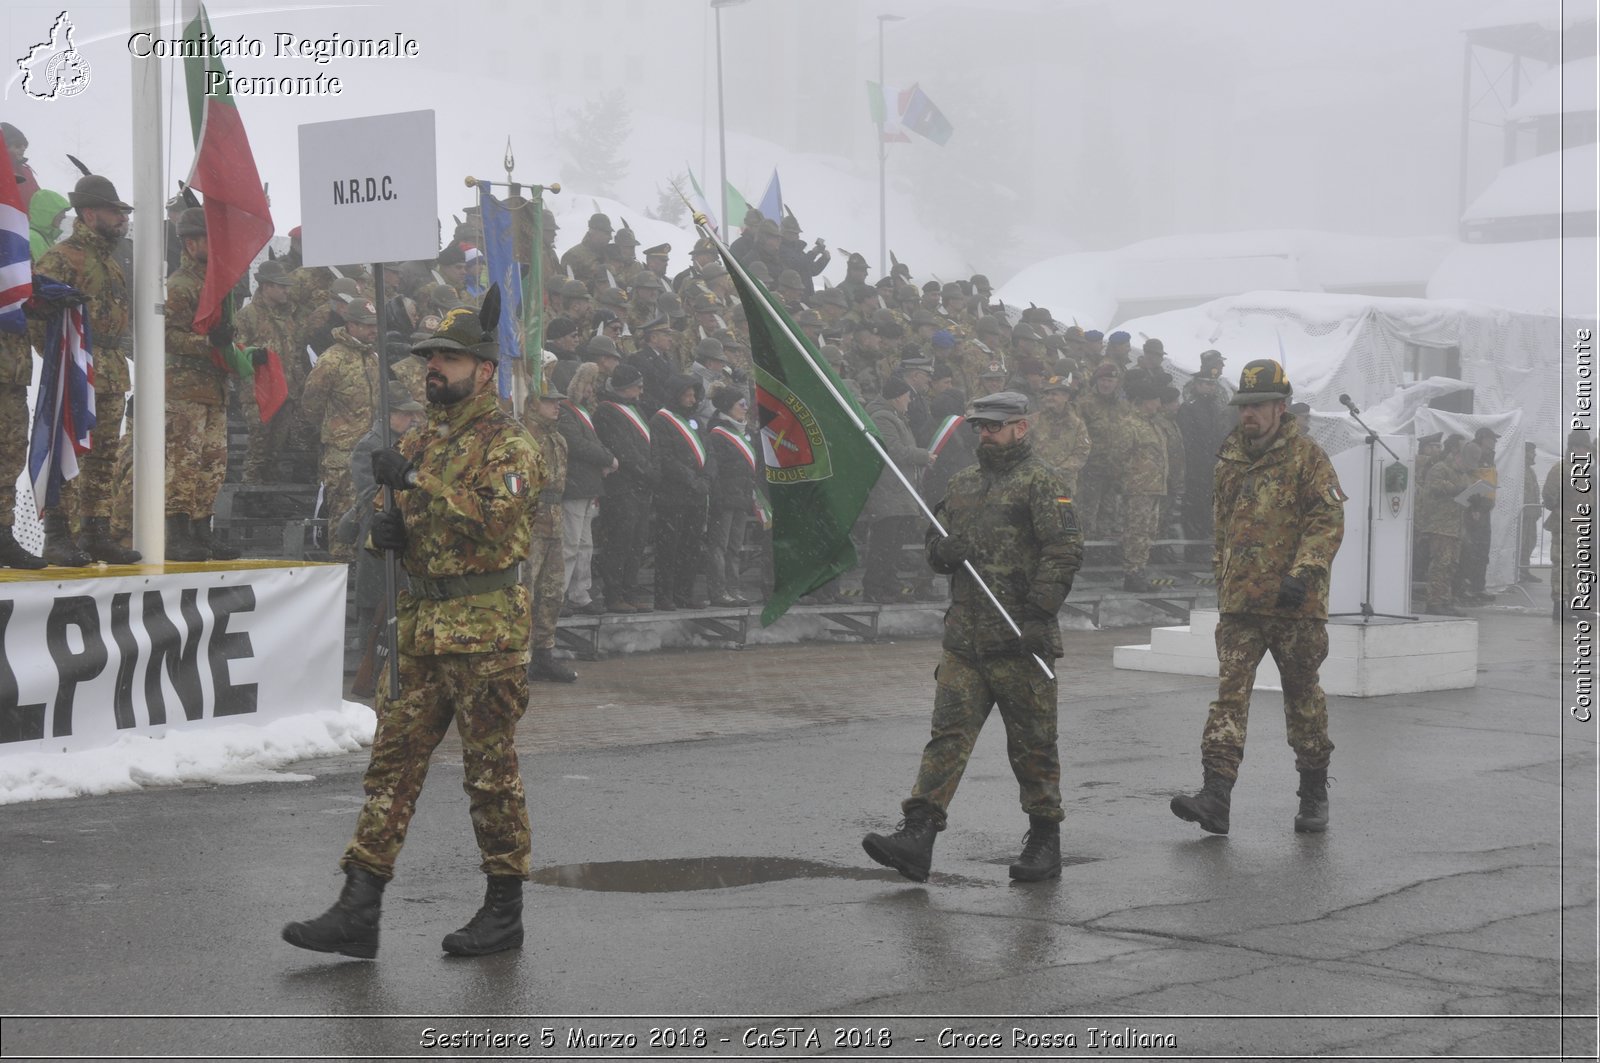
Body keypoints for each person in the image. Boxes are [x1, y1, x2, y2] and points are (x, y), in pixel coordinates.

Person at [282, 288, 546, 960]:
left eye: (448, 358)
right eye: (429, 357)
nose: (433, 368)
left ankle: (504, 908)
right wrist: (384, 528)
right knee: (390, 767)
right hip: (422, 625)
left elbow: (494, 517)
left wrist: (418, 484)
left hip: (485, 630)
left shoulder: (510, 443)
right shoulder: (421, 437)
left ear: (483, 369)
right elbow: (400, 529)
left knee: (490, 774)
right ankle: (358, 907)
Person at [862, 391, 1082, 882]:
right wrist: (944, 551)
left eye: (994, 426)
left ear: (1020, 428)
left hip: (1019, 638)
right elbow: (933, 547)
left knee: (1033, 746)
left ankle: (1045, 838)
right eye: (979, 426)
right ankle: (918, 835)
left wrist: (1040, 613)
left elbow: (1063, 550)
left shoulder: (1043, 483)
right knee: (947, 739)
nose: (984, 433)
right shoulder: (961, 484)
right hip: (965, 639)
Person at [1170, 359, 1344, 836]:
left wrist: (1304, 572)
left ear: (1280, 407)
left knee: (1303, 699)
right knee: (1228, 698)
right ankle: (1216, 797)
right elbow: (1222, 527)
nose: (1248, 414)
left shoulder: (1309, 457)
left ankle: (1313, 791)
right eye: (1242, 406)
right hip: (1241, 603)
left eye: (1257, 405)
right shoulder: (1229, 457)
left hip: (1294, 605)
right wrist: (1222, 579)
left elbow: (1327, 521)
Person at [32, 175, 141, 565]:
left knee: (105, 457)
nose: (122, 220)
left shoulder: (110, 261)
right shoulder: (62, 257)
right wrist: (60, 358)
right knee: (70, 451)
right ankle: (58, 536)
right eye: (115, 213)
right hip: (78, 370)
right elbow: (36, 311)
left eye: (123, 214)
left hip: (110, 368)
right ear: (89, 213)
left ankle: (96, 532)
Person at [161, 207, 240, 562]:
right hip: (185, 387)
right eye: (210, 239)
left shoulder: (217, 283)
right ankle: (176, 536)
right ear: (191, 243)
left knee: (213, 464)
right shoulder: (180, 284)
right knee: (184, 462)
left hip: (213, 387)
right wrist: (207, 342)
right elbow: (167, 335)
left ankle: (200, 531)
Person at [344, 382, 426, 698]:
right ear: (389, 414)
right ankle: (370, 673)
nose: (412, 420)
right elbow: (368, 492)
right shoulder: (372, 445)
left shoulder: (410, 442)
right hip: (378, 534)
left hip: (403, 532)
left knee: (399, 602)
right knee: (373, 607)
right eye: (405, 414)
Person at [861, 377, 932, 603]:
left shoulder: (896, 418)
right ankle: (874, 588)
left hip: (899, 494)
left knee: (893, 546)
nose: (910, 400)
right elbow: (893, 451)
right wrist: (924, 456)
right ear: (898, 396)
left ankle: (889, 585)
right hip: (888, 493)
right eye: (907, 396)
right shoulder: (882, 418)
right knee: (884, 544)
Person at [522, 384, 576, 683]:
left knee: (552, 592)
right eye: (549, 402)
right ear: (533, 403)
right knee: (526, 591)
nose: (556, 406)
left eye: (557, 402)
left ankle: (544, 653)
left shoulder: (556, 437)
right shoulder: (524, 437)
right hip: (531, 519)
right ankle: (523, 655)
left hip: (554, 518)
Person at [592, 363, 655, 612]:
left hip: (640, 487)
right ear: (625, 388)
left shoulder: (637, 409)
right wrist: (646, 470)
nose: (641, 391)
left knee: (637, 543)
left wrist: (652, 469)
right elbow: (622, 449)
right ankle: (614, 594)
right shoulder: (607, 412)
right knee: (620, 542)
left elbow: (649, 443)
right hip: (621, 487)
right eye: (637, 387)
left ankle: (630, 591)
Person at [649, 374, 712, 610]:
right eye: (687, 395)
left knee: (691, 547)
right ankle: (665, 595)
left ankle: (684, 593)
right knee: (669, 548)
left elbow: (709, 452)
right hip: (672, 495)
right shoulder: (661, 420)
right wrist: (690, 478)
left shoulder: (696, 421)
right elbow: (665, 457)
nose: (691, 399)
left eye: (693, 395)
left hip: (696, 496)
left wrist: (706, 477)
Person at [555, 363, 614, 615]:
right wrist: (607, 458)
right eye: (587, 384)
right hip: (575, 485)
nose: (590, 389)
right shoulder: (566, 412)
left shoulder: (582, 412)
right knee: (569, 543)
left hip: (587, 486)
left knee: (584, 544)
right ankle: (559, 594)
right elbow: (577, 445)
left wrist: (605, 456)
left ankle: (580, 592)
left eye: (593, 385)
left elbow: (594, 443)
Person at [704, 386, 758, 606]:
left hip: (742, 498)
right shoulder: (718, 435)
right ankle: (719, 590)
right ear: (729, 407)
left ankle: (733, 588)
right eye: (741, 405)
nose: (745, 409)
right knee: (719, 546)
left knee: (734, 548)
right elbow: (715, 469)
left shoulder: (747, 433)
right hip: (724, 498)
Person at [1416, 440, 1481, 616]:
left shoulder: (1463, 474)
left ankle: (1445, 600)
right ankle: (1434, 602)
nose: (1467, 466)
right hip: (1440, 525)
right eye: (1466, 461)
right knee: (1440, 564)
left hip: (1455, 527)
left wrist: (1474, 502)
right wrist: (1457, 488)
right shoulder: (1440, 468)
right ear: (1458, 456)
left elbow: (1463, 495)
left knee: (1452, 565)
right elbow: (1434, 487)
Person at [1544, 429, 1594, 621]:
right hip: (1564, 525)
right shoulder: (1561, 469)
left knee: (1576, 566)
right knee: (1562, 565)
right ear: (1573, 447)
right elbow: (1549, 496)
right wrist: (1561, 507)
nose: (1585, 451)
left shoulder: (1582, 471)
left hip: (1579, 526)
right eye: (1582, 447)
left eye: (1586, 448)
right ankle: (1559, 605)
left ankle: (1574, 603)